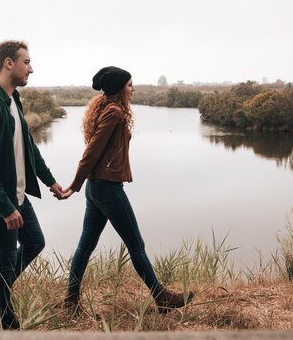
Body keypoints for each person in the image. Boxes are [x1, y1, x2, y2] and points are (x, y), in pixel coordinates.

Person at [61, 66, 194, 315]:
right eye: (130, 85)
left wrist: (82, 185)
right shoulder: (114, 112)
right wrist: (74, 186)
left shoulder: (105, 108)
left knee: (85, 246)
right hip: (107, 189)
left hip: (97, 188)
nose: (134, 89)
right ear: (120, 88)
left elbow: (96, 151)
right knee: (136, 245)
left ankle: (71, 301)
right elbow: (92, 152)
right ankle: (161, 297)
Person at [0, 40, 65, 329]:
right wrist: (5, 208)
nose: (31, 69)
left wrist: (51, 182)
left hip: (17, 194)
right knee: (4, 262)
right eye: (26, 62)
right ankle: (5, 318)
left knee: (34, 242)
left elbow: (29, 147)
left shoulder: (12, 100)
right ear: (8, 63)